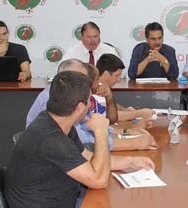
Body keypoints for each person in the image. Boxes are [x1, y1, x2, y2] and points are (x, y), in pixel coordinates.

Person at [5, 71, 154, 208]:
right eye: (89, 99)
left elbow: (87, 157)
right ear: (80, 107)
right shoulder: (51, 138)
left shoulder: (56, 122)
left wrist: (128, 162)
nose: (91, 103)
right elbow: (98, 180)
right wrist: (101, 132)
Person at [26, 59, 157, 151]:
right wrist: (134, 142)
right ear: (64, 79)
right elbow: (84, 142)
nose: (85, 84)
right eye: (80, 79)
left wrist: (126, 132)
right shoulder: (54, 100)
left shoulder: (69, 94)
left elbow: (87, 127)